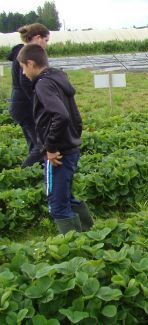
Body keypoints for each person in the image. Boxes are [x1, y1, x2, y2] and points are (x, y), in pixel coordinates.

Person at [17, 43, 93, 234]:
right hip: (70, 147)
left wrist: (50, 147)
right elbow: (73, 116)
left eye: (23, 67)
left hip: (58, 153)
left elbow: (61, 115)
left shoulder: (43, 84)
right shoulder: (58, 78)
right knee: (65, 196)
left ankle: (74, 247)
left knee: (57, 204)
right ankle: (89, 233)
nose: (24, 73)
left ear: (31, 63)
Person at [6, 23, 50, 168]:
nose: (46, 45)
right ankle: (21, 174)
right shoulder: (26, 54)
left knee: (34, 143)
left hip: (19, 105)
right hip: (25, 106)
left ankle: (36, 173)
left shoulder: (22, 51)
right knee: (41, 146)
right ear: (38, 37)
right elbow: (25, 83)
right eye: (46, 40)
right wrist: (39, 103)